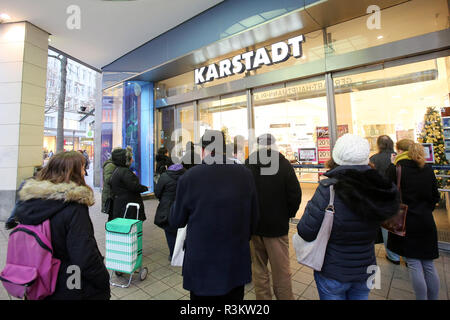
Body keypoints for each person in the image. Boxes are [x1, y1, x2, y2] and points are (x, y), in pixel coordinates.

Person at [297, 134, 399, 300]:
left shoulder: (328, 188)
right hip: (366, 269)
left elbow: (305, 230)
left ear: (336, 157)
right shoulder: (381, 188)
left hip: (333, 270)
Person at [170, 130, 259, 300]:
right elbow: (254, 219)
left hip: (201, 264)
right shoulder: (245, 175)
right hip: (235, 261)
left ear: (203, 150)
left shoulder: (189, 178)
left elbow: (176, 220)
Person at [13, 151, 110, 300]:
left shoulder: (29, 202)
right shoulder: (73, 207)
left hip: (37, 278)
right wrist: (103, 279)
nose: (84, 172)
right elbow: (84, 256)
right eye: (82, 168)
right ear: (72, 172)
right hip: (69, 280)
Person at [244, 134, 301, 300]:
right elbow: (295, 195)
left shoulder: (248, 164)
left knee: (259, 269)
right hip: (277, 228)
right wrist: (287, 214)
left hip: (255, 227)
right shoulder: (283, 165)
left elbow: (242, 195)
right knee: (281, 271)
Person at [386, 139, 441, 300]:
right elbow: (435, 196)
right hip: (426, 220)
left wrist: (391, 166)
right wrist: (425, 209)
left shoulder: (397, 168)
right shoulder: (427, 168)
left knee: (414, 264)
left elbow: (388, 193)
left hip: (407, 222)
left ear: (399, 151)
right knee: (429, 265)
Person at [369, 135, 401, 265]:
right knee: (399, 225)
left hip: (380, 197)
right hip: (397, 197)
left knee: (387, 227)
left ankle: (393, 255)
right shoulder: (398, 158)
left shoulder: (374, 159)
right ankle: (403, 253)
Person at [154, 163, 186, 261]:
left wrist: (164, 199)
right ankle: (183, 254)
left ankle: (173, 255)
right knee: (182, 231)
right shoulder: (186, 175)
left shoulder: (164, 176)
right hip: (183, 207)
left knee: (169, 231)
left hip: (167, 208)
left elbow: (157, 192)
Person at [110, 146, 148, 221]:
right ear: (125, 160)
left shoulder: (117, 170)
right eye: (131, 158)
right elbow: (134, 186)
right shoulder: (125, 172)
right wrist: (144, 188)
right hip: (128, 206)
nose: (133, 160)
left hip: (121, 204)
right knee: (130, 227)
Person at [101, 151, 117, 221]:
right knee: (112, 215)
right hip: (110, 195)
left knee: (113, 215)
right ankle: (110, 229)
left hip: (112, 194)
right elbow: (108, 179)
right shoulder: (110, 165)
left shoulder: (113, 164)